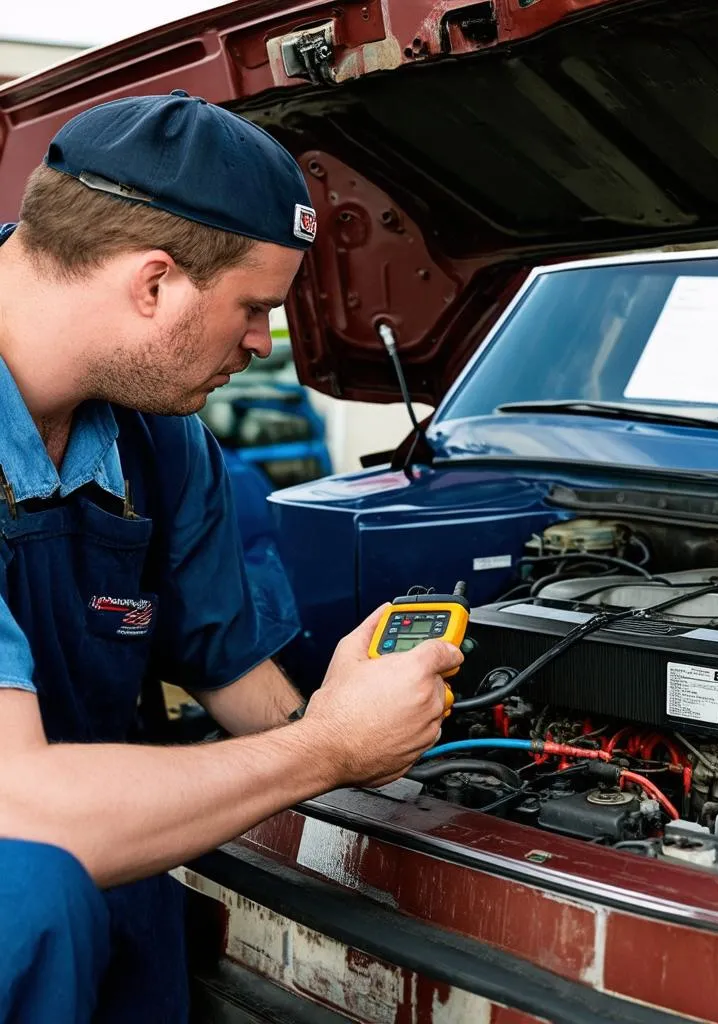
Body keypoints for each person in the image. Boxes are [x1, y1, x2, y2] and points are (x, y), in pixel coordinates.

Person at [0, 90, 461, 1023]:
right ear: (154, 282)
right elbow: (24, 809)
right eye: (254, 308)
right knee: (32, 901)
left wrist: (352, 725)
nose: (263, 343)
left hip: (83, 838)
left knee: (136, 897)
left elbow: (238, 676)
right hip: (33, 846)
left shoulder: (160, 446)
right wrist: (326, 747)